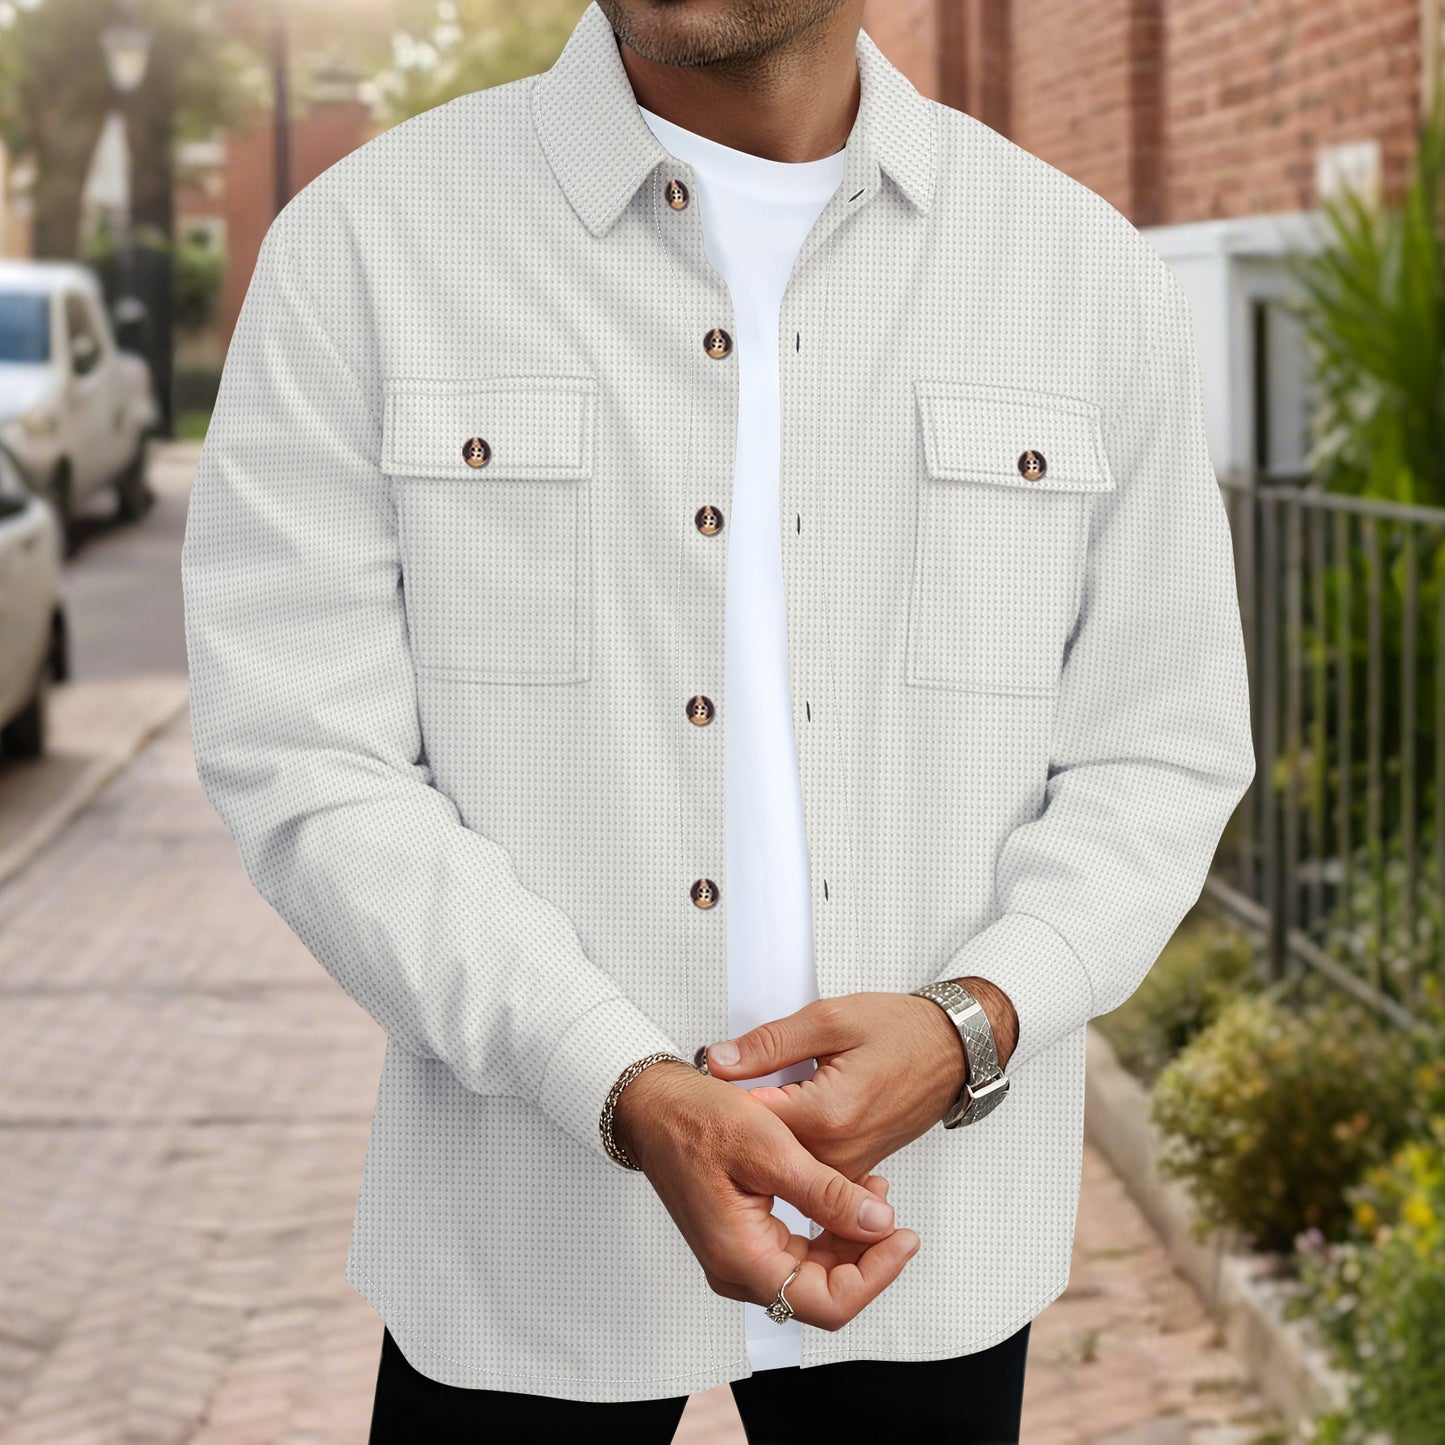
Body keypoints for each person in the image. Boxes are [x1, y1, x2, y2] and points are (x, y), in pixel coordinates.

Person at [180, 1, 1257, 1440]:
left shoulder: (1078, 276)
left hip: (920, 1235)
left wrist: (968, 1025)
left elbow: (1157, 746)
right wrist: (617, 1081)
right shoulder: (365, 250)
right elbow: (309, 760)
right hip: (525, 1242)